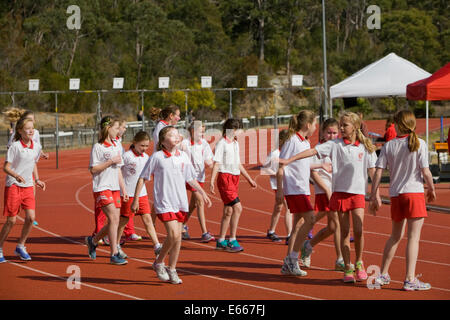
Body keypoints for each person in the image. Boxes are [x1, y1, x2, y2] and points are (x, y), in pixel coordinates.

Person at [280, 111, 378, 283]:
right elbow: (312, 152)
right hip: (339, 194)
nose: (341, 128)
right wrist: (289, 160)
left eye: (344, 125)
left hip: (358, 194)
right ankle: (347, 267)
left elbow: (372, 169)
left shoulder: (365, 146)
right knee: (344, 231)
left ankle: (359, 262)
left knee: (359, 230)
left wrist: (376, 193)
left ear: (354, 126)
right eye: (340, 125)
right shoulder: (334, 144)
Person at [132, 126, 212, 284]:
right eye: (172, 135)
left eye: (177, 134)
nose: (177, 137)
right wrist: (135, 199)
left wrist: (203, 193)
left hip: (180, 202)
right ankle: (159, 262)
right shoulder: (157, 157)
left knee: (178, 238)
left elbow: (190, 178)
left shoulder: (183, 156)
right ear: (163, 141)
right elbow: (142, 178)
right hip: (164, 202)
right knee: (174, 234)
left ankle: (172, 268)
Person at [369, 110, 435, 291]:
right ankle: (409, 279)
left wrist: (374, 194)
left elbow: (378, 171)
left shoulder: (389, 146)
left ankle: (382, 274)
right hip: (414, 194)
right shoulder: (419, 143)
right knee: (413, 238)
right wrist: (431, 187)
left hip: (396, 195)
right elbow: (426, 171)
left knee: (395, 236)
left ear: (397, 124)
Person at [276, 110, 318, 277]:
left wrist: (322, 166)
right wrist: (280, 191)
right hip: (295, 189)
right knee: (311, 219)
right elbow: (281, 166)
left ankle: (288, 262)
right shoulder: (292, 141)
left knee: (298, 226)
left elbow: (304, 165)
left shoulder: (305, 143)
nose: (316, 127)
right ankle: (293, 258)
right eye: (314, 124)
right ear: (308, 125)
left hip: (302, 188)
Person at [0, 117, 46, 263]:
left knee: (31, 218)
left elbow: (33, 164)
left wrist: (37, 179)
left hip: (28, 186)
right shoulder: (15, 146)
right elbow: (6, 167)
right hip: (13, 185)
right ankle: (0, 247)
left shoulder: (37, 147)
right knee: (11, 221)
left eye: (33, 128)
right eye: (28, 128)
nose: (31, 130)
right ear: (20, 131)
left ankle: (20, 245)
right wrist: (16, 175)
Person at [85, 116, 128, 265]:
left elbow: (118, 170)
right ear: (108, 129)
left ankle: (93, 240)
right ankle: (114, 253)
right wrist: (109, 161)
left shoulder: (117, 145)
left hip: (115, 187)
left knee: (113, 221)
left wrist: (123, 189)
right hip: (102, 187)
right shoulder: (98, 147)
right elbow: (93, 169)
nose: (119, 131)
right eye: (116, 128)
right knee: (114, 219)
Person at [302, 118, 344, 271]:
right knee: (337, 224)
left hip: (337, 189)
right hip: (324, 190)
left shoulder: (339, 147)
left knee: (333, 227)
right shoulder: (318, 148)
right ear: (323, 133)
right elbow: (312, 172)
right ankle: (340, 259)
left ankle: (308, 245)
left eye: (335, 133)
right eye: (329, 133)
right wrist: (326, 189)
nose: (332, 136)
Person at [210, 118, 257, 252]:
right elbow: (217, 163)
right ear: (233, 129)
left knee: (228, 211)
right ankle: (232, 239)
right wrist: (212, 181)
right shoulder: (222, 144)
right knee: (238, 208)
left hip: (234, 177)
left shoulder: (235, 143)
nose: (241, 132)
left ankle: (221, 240)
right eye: (240, 129)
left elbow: (238, 164)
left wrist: (249, 179)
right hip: (225, 178)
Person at [117, 131, 162, 257]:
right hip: (128, 194)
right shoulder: (127, 156)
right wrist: (122, 190)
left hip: (142, 194)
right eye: (142, 146)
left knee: (147, 219)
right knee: (123, 221)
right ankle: (116, 244)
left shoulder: (146, 157)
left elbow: (147, 174)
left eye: (147, 146)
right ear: (135, 143)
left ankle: (157, 245)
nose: (144, 149)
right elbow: (118, 172)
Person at [180, 121, 215, 242]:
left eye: (204, 131)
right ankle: (205, 233)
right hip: (188, 177)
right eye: (201, 131)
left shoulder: (204, 143)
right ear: (193, 131)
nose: (203, 134)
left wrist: (213, 165)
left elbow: (209, 159)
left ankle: (182, 224)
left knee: (193, 204)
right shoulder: (184, 143)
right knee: (200, 201)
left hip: (200, 177)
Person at [261, 129, 292, 244]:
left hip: (288, 183)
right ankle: (290, 234)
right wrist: (277, 173)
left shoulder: (290, 153)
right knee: (288, 207)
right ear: (281, 141)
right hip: (277, 184)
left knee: (278, 207)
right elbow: (265, 170)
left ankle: (271, 231)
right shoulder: (275, 153)